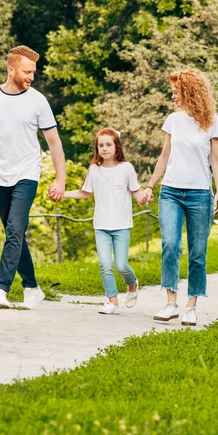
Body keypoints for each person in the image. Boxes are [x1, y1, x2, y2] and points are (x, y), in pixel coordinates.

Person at [0, 45, 66, 310]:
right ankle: (31, 287)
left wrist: (60, 180)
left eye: (33, 72)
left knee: (16, 230)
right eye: (27, 71)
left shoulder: (38, 101)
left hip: (27, 174)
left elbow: (54, 143)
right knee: (13, 233)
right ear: (11, 69)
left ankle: (0, 289)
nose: (31, 77)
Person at [142, 69, 218, 326]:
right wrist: (150, 185)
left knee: (198, 252)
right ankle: (170, 303)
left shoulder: (213, 122)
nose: (172, 95)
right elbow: (164, 156)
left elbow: (215, 159)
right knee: (170, 244)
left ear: (189, 91)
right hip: (171, 192)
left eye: (176, 91)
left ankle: (191, 305)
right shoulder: (173, 120)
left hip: (200, 194)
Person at [62, 128, 144, 315]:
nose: (105, 149)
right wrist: (63, 194)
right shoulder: (94, 170)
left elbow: (136, 191)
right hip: (101, 226)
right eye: (101, 145)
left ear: (117, 146)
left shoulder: (127, 168)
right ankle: (112, 301)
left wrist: (142, 197)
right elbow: (84, 193)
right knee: (105, 265)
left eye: (108, 145)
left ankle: (132, 284)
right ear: (97, 148)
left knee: (121, 265)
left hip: (122, 225)